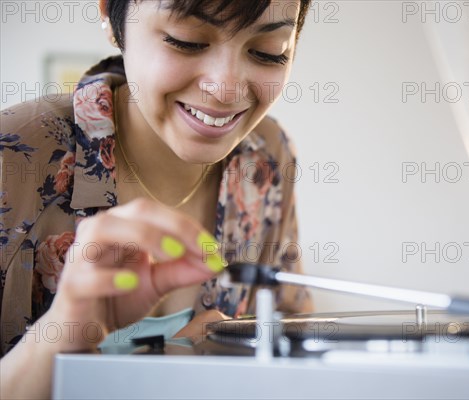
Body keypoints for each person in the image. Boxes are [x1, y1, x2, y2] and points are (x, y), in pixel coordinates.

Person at [0, 0, 313, 397]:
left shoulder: (267, 157)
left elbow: (294, 335)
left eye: (269, 52)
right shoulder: (14, 157)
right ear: (110, 17)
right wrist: (57, 335)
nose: (226, 88)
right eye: (186, 42)